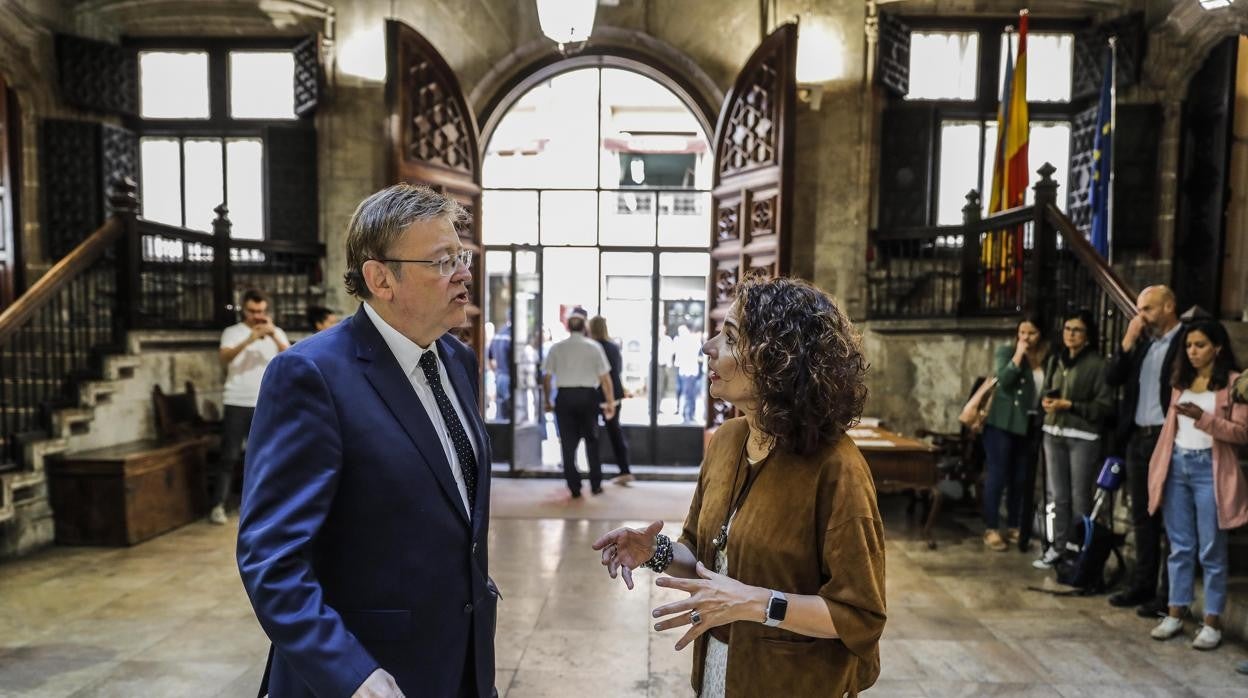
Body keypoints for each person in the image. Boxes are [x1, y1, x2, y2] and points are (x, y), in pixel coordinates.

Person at [236, 184, 496, 698]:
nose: (465, 273)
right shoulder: (310, 375)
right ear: (381, 278)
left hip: (458, 660)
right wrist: (350, 673)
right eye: (443, 261)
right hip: (367, 672)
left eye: (460, 255)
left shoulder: (455, 360)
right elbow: (272, 559)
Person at [591, 277, 886, 697]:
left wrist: (757, 603)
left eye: (729, 337)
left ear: (779, 358)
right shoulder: (729, 439)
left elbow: (860, 615)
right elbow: (706, 557)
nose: (707, 347)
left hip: (793, 683)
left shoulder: (837, 467)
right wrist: (652, 551)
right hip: (721, 671)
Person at [1146, 319, 1248, 650]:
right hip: (1178, 464)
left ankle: (1212, 622)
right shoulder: (1181, 381)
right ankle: (1175, 612)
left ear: (1217, 348)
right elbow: (1170, 430)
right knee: (1180, 546)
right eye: (1188, 345)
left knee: (1211, 549)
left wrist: (1202, 419)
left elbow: (1241, 433)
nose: (1192, 351)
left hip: (1211, 469)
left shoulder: (1233, 384)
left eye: (1200, 345)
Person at [1105, 286, 1183, 615]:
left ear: (1168, 306)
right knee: (1142, 516)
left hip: (1168, 438)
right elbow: (1113, 378)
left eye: (1148, 309)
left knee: (1169, 518)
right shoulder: (1144, 344)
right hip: (1138, 435)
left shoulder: (1186, 342)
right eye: (1139, 309)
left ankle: (1167, 595)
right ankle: (1142, 585)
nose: (1141, 316)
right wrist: (1126, 341)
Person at [1035, 309, 1113, 569]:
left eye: (1077, 330)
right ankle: (1058, 547)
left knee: (1080, 496)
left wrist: (1070, 405)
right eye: (1067, 329)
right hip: (1053, 432)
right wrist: (1047, 402)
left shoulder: (1098, 365)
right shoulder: (1056, 359)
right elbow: (1048, 389)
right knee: (1058, 496)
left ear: (1088, 335)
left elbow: (1103, 405)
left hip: (1082, 436)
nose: (1070, 334)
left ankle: (1081, 549)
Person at [214, 288, 289, 525]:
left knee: (267, 456)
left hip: (266, 402)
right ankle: (218, 505)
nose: (257, 315)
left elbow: (291, 358)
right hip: (237, 399)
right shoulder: (232, 332)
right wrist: (250, 339)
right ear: (244, 310)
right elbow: (224, 358)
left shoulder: (276, 331)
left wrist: (273, 335)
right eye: (252, 311)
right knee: (229, 456)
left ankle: (263, 507)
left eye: (261, 311)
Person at [980, 314, 1049, 552]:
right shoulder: (1006, 352)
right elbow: (1006, 381)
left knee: (1020, 478)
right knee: (998, 476)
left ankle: (1013, 525)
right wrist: (1019, 355)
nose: (1026, 338)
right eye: (1022, 333)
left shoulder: (1045, 359)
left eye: (1031, 333)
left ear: (1040, 335)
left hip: (1029, 425)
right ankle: (991, 527)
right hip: (1002, 424)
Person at [543, 312, 616, 498]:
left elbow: (547, 377)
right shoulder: (594, 347)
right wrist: (610, 402)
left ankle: (574, 486)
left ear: (568, 327)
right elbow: (605, 378)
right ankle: (596, 484)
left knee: (567, 444)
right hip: (588, 397)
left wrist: (547, 400)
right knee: (592, 441)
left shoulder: (556, 348)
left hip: (565, 397)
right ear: (585, 328)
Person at [588, 315, 634, 486]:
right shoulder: (614, 347)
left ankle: (595, 472)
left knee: (591, 433)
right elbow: (617, 370)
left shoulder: (592, 347)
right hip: (615, 393)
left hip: (597, 393)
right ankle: (625, 470)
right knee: (615, 431)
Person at [673, 324, 703, 423]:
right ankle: (688, 415)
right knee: (687, 395)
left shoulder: (692, 342)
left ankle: (688, 415)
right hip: (686, 372)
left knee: (689, 395)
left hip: (690, 372)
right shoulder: (684, 342)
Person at [487, 315, 512, 420]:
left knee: (500, 409)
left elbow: (490, 356)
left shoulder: (498, 334)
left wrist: (495, 371)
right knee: (508, 409)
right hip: (508, 376)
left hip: (499, 375)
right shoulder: (512, 335)